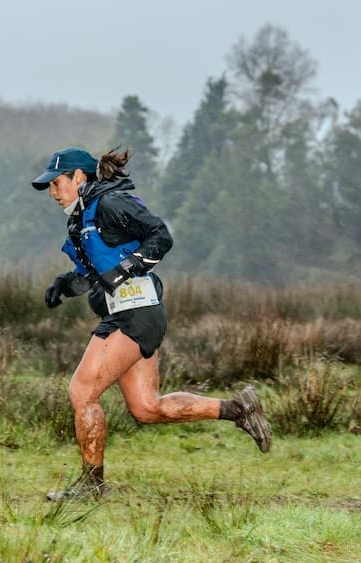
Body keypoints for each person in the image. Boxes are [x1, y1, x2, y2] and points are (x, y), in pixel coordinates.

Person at [32, 146, 271, 501]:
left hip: (135, 314)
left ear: (78, 177)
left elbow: (161, 237)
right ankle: (239, 408)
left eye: (56, 184)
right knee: (147, 408)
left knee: (82, 392)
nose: (52, 193)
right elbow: (90, 274)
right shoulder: (80, 220)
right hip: (132, 314)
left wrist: (127, 269)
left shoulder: (112, 204)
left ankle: (91, 487)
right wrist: (64, 284)